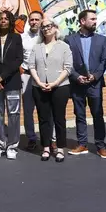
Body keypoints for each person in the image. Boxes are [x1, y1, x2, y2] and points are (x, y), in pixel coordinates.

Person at [65, 10, 106, 159]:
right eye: (92, 19)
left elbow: (104, 60)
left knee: (98, 115)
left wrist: (95, 76)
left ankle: (101, 146)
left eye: (95, 19)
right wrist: (76, 76)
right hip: (77, 84)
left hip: (95, 84)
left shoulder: (101, 40)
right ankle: (82, 144)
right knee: (79, 114)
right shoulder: (69, 40)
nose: (95, 22)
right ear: (82, 21)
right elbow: (66, 63)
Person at [28, 17, 72, 162]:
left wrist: (54, 83)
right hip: (39, 87)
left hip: (60, 87)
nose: (46, 28)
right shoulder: (37, 47)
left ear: (55, 27)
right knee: (43, 118)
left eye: (49, 26)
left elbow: (68, 68)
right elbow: (31, 66)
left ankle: (60, 148)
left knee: (59, 118)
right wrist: (39, 82)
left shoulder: (64, 46)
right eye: (43, 27)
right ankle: (46, 147)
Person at [0, 11, 23, 160]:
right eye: (1, 19)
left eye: (6, 19)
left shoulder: (16, 38)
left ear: (10, 21)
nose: (3, 21)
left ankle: (12, 146)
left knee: (14, 114)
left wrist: (3, 76)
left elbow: (18, 59)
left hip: (12, 81)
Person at [20, 11, 43, 151]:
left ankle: (49, 139)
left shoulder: (46, 36)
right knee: (28, 110)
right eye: (32, 19)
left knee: (45, 109)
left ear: (41, 21)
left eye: (37, 19)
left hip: (44, 77)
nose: (34, 22)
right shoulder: (23, 37)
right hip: (27, 76)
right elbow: (18, 55)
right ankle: (31, 138)